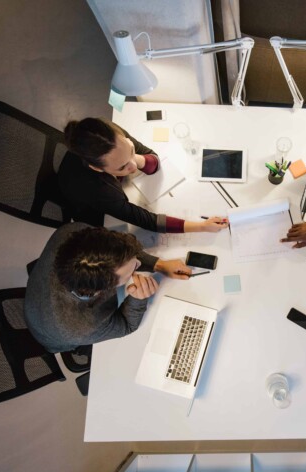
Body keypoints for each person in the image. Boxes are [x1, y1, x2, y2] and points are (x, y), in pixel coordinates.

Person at [24, 222, 192, 354]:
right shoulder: (79, 327)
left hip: (40, 293)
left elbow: (119, 250)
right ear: (105, 289)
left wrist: (159, 265)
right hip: (54, 334)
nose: (139, 264)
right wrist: (138, 299)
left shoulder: (72, 232)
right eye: (133, 269)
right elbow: (126, 325)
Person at [58, 117, 228, 233]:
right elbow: (145, 220)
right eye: (122, 166)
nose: (133, 167)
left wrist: (134, 159)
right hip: (95, 216)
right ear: (97, 168)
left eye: (131, 150)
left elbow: (153, 161)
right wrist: (201, 226)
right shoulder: (97, 190)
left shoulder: (110, 135)